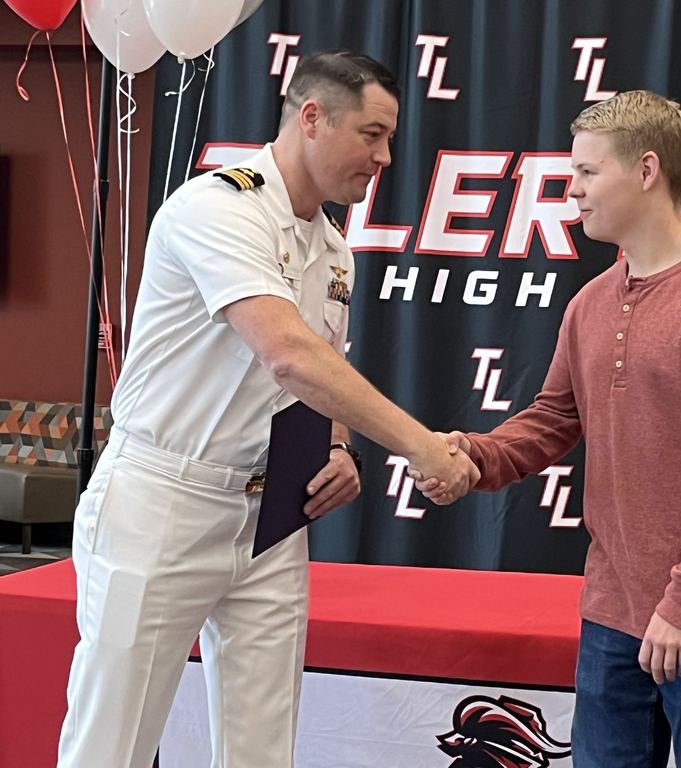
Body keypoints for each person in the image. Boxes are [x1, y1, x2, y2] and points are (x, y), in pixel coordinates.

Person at [57, 50, 478, 768]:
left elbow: (320, 372)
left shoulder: (335, 251)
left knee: (262, 748)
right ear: (311, 117)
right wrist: (420, 446)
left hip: (271, 516)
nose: (383, 157)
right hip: (164, 498)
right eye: (371, 134)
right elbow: (286, 351)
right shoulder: (217, 209)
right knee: (113, 743)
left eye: (388, 139)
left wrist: (342, 446)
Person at [416, 91, 681, 767]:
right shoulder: (590, 303)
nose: (573, 189)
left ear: (646, 171)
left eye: (588, 173)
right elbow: (555, 418)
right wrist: (473, 457)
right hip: (612, 619)